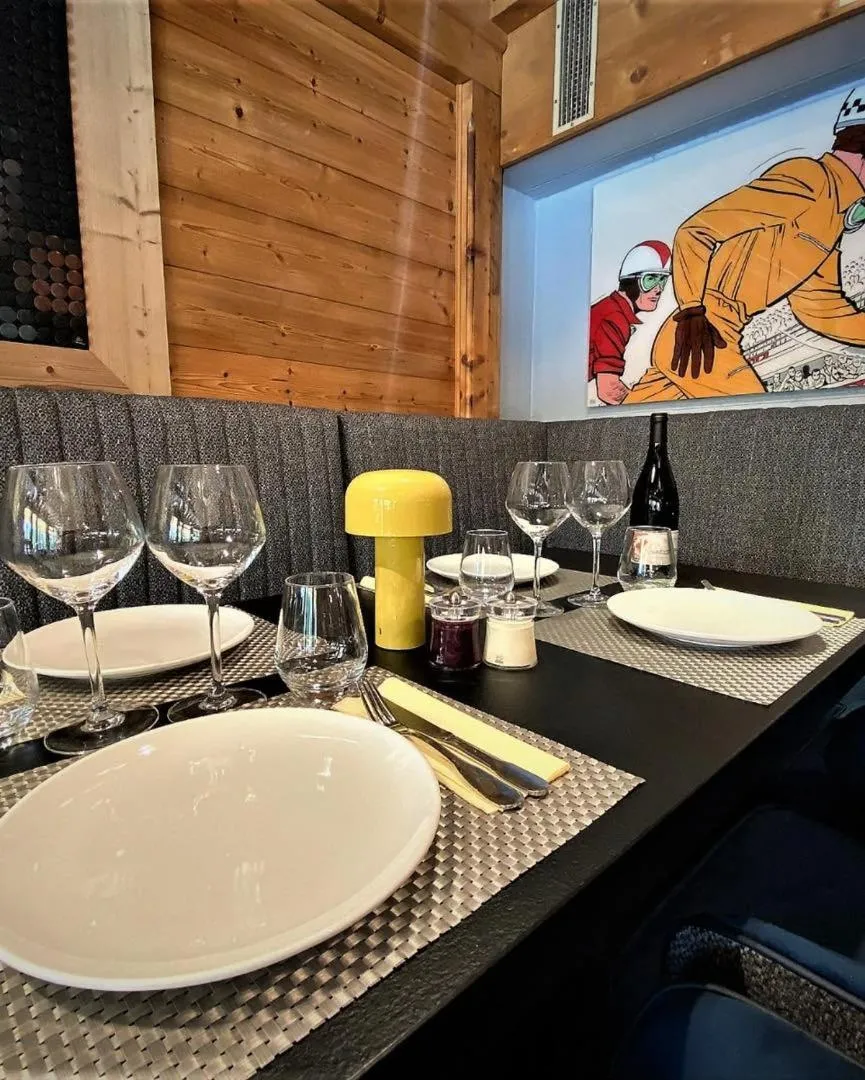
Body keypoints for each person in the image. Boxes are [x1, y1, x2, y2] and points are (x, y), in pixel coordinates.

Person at [625, 85, 865, 403]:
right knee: (762, 430)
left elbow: (820, 308)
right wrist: (693, 312)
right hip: (702, 335)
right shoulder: (810, 179)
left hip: (698, 344)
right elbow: (694, 232)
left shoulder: (832, 218)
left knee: (623, 437)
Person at [588, 241, 671, 405]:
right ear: (630, 281)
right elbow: (608, 390)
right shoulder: (614, 317)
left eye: (662, 280)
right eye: (651, 279)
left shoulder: (612, 309)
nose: (658, 289)